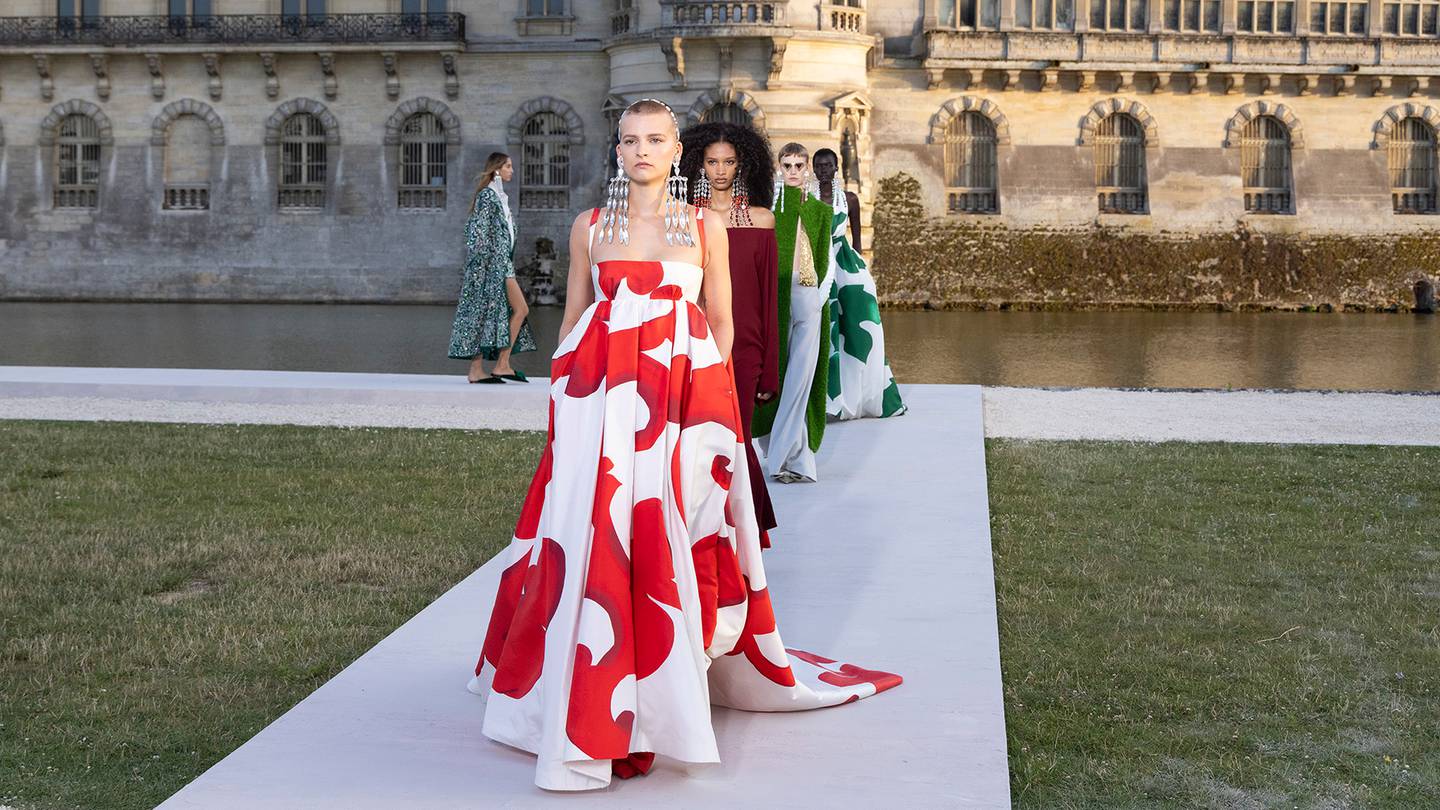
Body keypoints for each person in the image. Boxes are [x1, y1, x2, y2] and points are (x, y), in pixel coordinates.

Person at [467, 99, 899, 792]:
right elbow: (575, 325)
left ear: (677, 153)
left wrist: (717, 415)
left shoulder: (704, 227)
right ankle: (596, 695)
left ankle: (661, 691)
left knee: (670, 538)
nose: (641, 150)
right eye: (629, 140)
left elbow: (721, 325)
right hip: (603, 415)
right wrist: (565, 410)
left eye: (655, 140)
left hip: (682, 412)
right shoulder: (589, 228)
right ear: (617, 152)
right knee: (601, 545)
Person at [679, 120, 779, 544]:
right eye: (712, 161)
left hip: (748, 346)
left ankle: (746, 529)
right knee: (704, 435)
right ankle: (707, 528)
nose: (720, 170)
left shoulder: (762, 220)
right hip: (698, 341)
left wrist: (771, 370)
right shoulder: (686, 220)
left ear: (743, 166)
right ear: (698, 164)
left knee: (737, 436)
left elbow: (770, 299)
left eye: (729, 162)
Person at [750, 143, 833, 484]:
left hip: (809, 298)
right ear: (779, 168)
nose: (794, 171)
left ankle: (794, 459)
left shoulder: (819, 212)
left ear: (808, 168)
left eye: (800, 165)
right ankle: (782, 455)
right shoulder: (769, 211)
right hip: (778, 299)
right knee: (778, 375)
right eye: (788, 165)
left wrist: (820, 299)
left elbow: (826, 259)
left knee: (802, 380)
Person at [812, 148, 906, 420]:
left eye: (828, 165)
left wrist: (862, 271)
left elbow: (857, 240)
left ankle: (868, 394)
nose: (823, 170)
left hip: (845, 266)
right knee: (827, 332)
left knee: (861, 327)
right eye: (818, 166)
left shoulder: (849, 199)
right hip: (818, 264)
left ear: (836, 167)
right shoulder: (808, 200)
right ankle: (831, 398)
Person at [448, 152, 536, 383]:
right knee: (494, 311)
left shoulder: (500, 196)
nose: (512, 170)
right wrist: (482, 267)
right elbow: (477, 233)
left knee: (510, 311)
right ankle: (481, 369)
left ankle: (502, 365)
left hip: (502, 264)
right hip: (490, 266)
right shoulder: (487, 196)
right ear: (496, 169)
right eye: (508, 166)